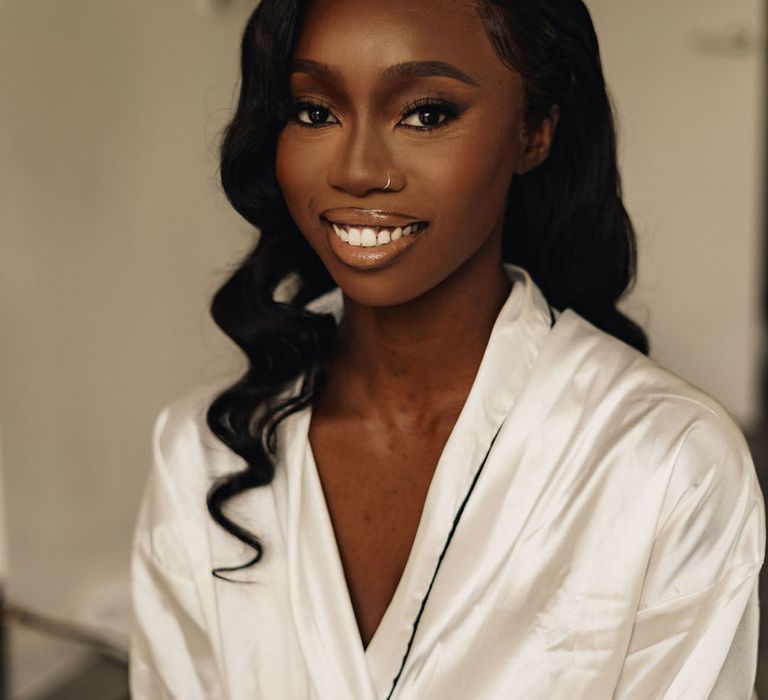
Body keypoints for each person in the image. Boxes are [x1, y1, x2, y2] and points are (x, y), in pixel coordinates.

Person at [129, 0, 766, 697]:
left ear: (535, 132)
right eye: (315, 111)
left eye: (426, 113)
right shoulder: (204, 453)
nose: (358, 169)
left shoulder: (669, 465)